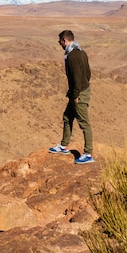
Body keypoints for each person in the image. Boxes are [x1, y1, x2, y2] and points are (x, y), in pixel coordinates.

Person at [49, 30, 94, 164]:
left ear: (64, 40)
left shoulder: (72, 55)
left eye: (60, 42)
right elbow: (88, 73)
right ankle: (64, 145)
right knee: (67, 117)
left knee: (84, 123)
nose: (60, 44)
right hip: (78, 91)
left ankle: (88, 153)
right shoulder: (81, 52)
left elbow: (76, 77)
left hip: (78, 93)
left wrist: (75, 95)